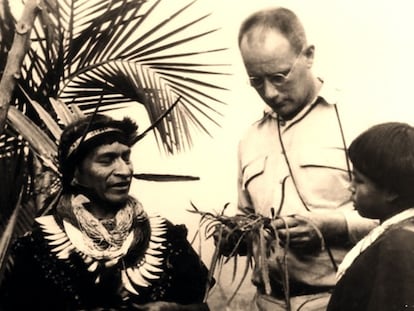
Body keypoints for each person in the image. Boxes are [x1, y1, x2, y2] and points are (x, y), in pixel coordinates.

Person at [214, 7, 377, 311]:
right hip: (268, 303)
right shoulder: (250, 139)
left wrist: (337, 226)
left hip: (341, 299)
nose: (270, 93)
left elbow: (402, 219)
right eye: (256, 81)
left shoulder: (359, 122)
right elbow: (247, 217)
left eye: (279, 76)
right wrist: (233, 235)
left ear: (309, 55)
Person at [0, 114, 210, 310]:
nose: (125, 170)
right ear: (75, 175)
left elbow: (202, 306)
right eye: (106, 160)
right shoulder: (36, 250)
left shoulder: (167, 237)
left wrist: (174, 310)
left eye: (126, 157)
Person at [327, 122, 414, 311]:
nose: (350, 187)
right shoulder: (395, 234)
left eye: (359, 180)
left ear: (391, 191)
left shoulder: (399, 243)